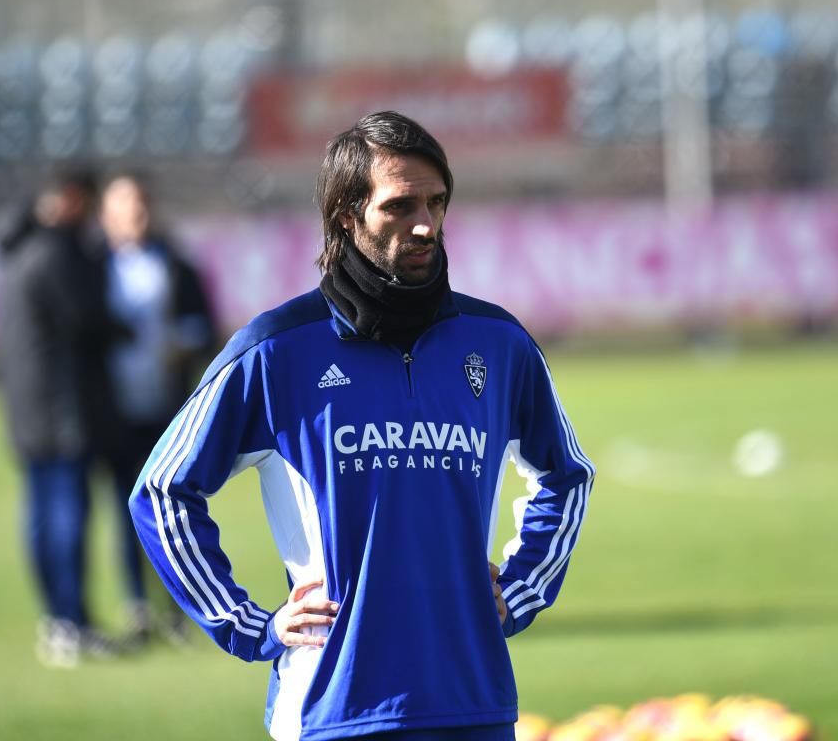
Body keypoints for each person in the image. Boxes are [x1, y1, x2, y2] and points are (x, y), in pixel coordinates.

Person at [130, 111, 595, 740]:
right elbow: (161, 491)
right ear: (347, 216)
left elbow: (567, 476)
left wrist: (522, 587)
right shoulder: (275, 350)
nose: (426, 224)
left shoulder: (499, 343)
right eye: (400, 206)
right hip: (333, 709)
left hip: (474, 705)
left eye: (436, 202)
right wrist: (245, 623)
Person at [0, 167, 123, 667]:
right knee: (69, 517)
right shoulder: (58, 253)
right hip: (62, 409)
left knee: (41, 517)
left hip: (24, 409)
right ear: (73, 199)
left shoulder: (17, 248)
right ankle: (72, 623)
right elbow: (87, 321)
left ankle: (57, 621)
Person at [98, 173, 216, 644]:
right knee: (124, 508)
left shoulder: (178, 266)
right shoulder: (93, 270)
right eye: (125, 204)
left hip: (168, 409)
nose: (137, 213)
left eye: (143, 202)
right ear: (108, 213)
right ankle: (137, 606)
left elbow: (204, 327)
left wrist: (182, 344)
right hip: (115, 409)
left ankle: (179, 608)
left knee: (175, 511)